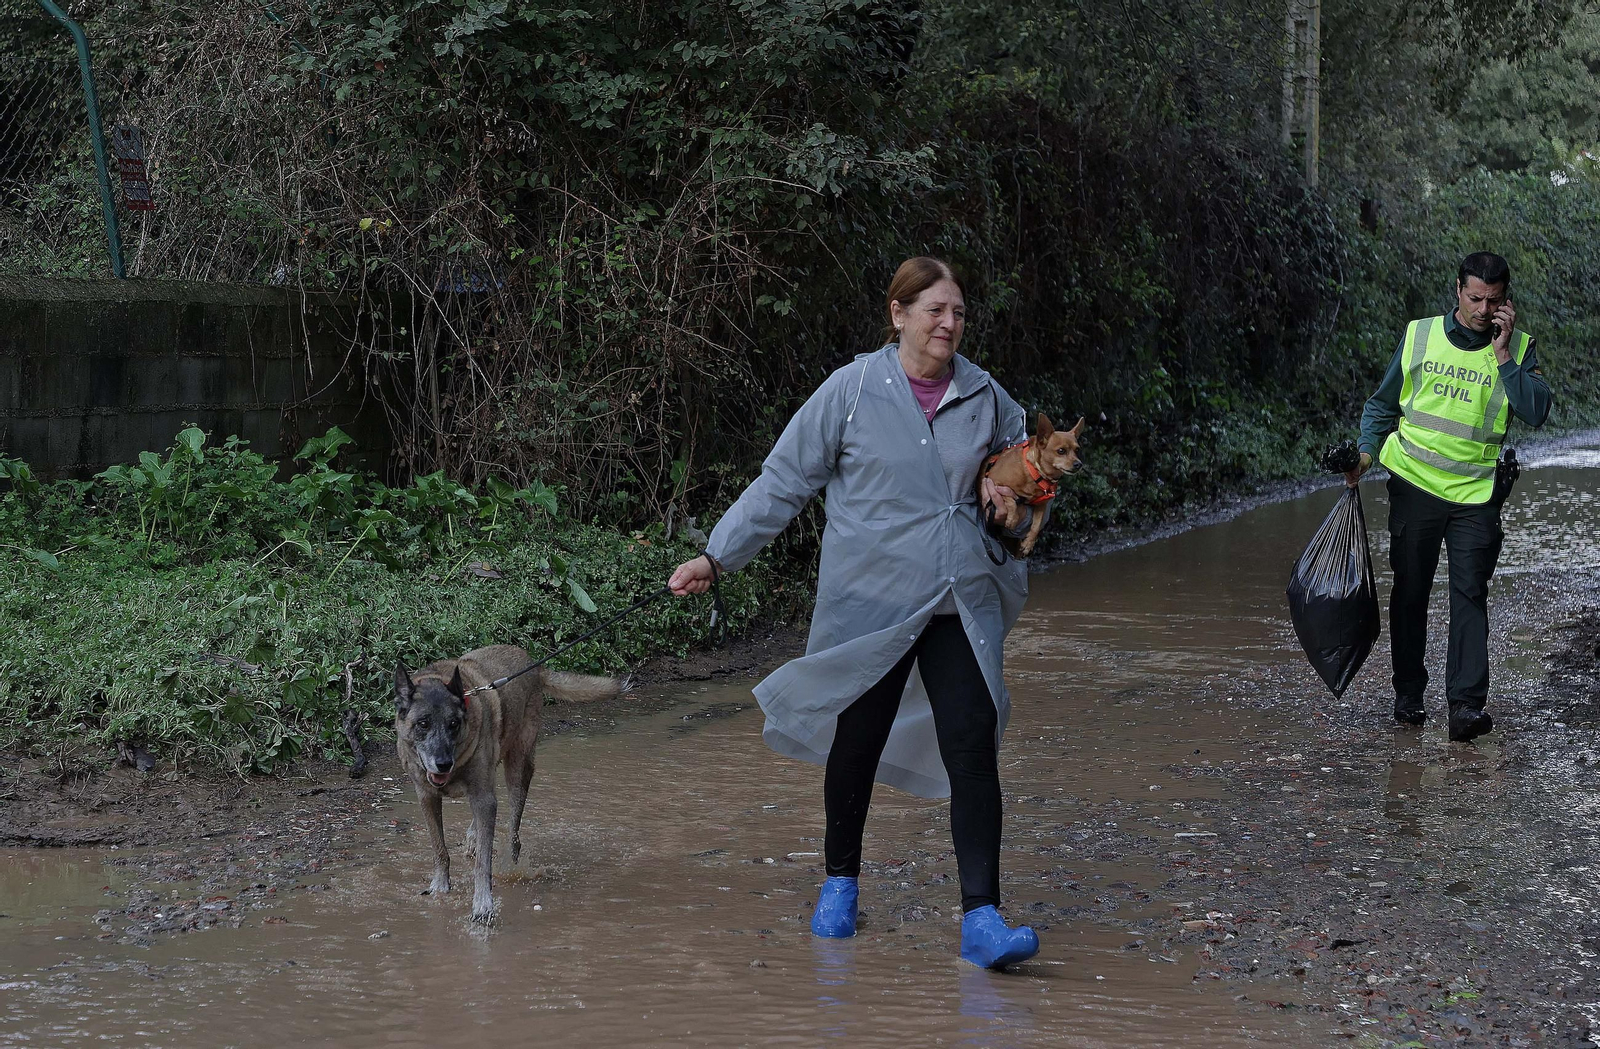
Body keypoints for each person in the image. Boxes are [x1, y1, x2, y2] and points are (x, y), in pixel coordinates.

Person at [668, 257, 1044, 969]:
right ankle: (840, 885)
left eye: (958, 311)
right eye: (934, 309)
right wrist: (716, 558)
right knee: (858, 743)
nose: (949, 323)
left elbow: (1020, 484)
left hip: (955, 600)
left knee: (973, 739)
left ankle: (982, 917)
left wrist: (1017, 502)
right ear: (897, 314)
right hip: (871, 603)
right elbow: (783, 482)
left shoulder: (989, 398)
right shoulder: (851, 391)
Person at [1346, 251, 1551, 742]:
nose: (1483, 310)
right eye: (1475, 298)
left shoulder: (1518, 349)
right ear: (1457, 289)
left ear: (1507, 302)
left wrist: (1502, 356)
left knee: (1469, 596)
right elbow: (1381, 406)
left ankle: (1464, 706)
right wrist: (1363, 459)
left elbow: (1537, 411)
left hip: (1477, 496)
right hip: (1414, 486)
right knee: (1411, 592)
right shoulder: (1420, 335)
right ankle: (1409, 695)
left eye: (1494, 301)